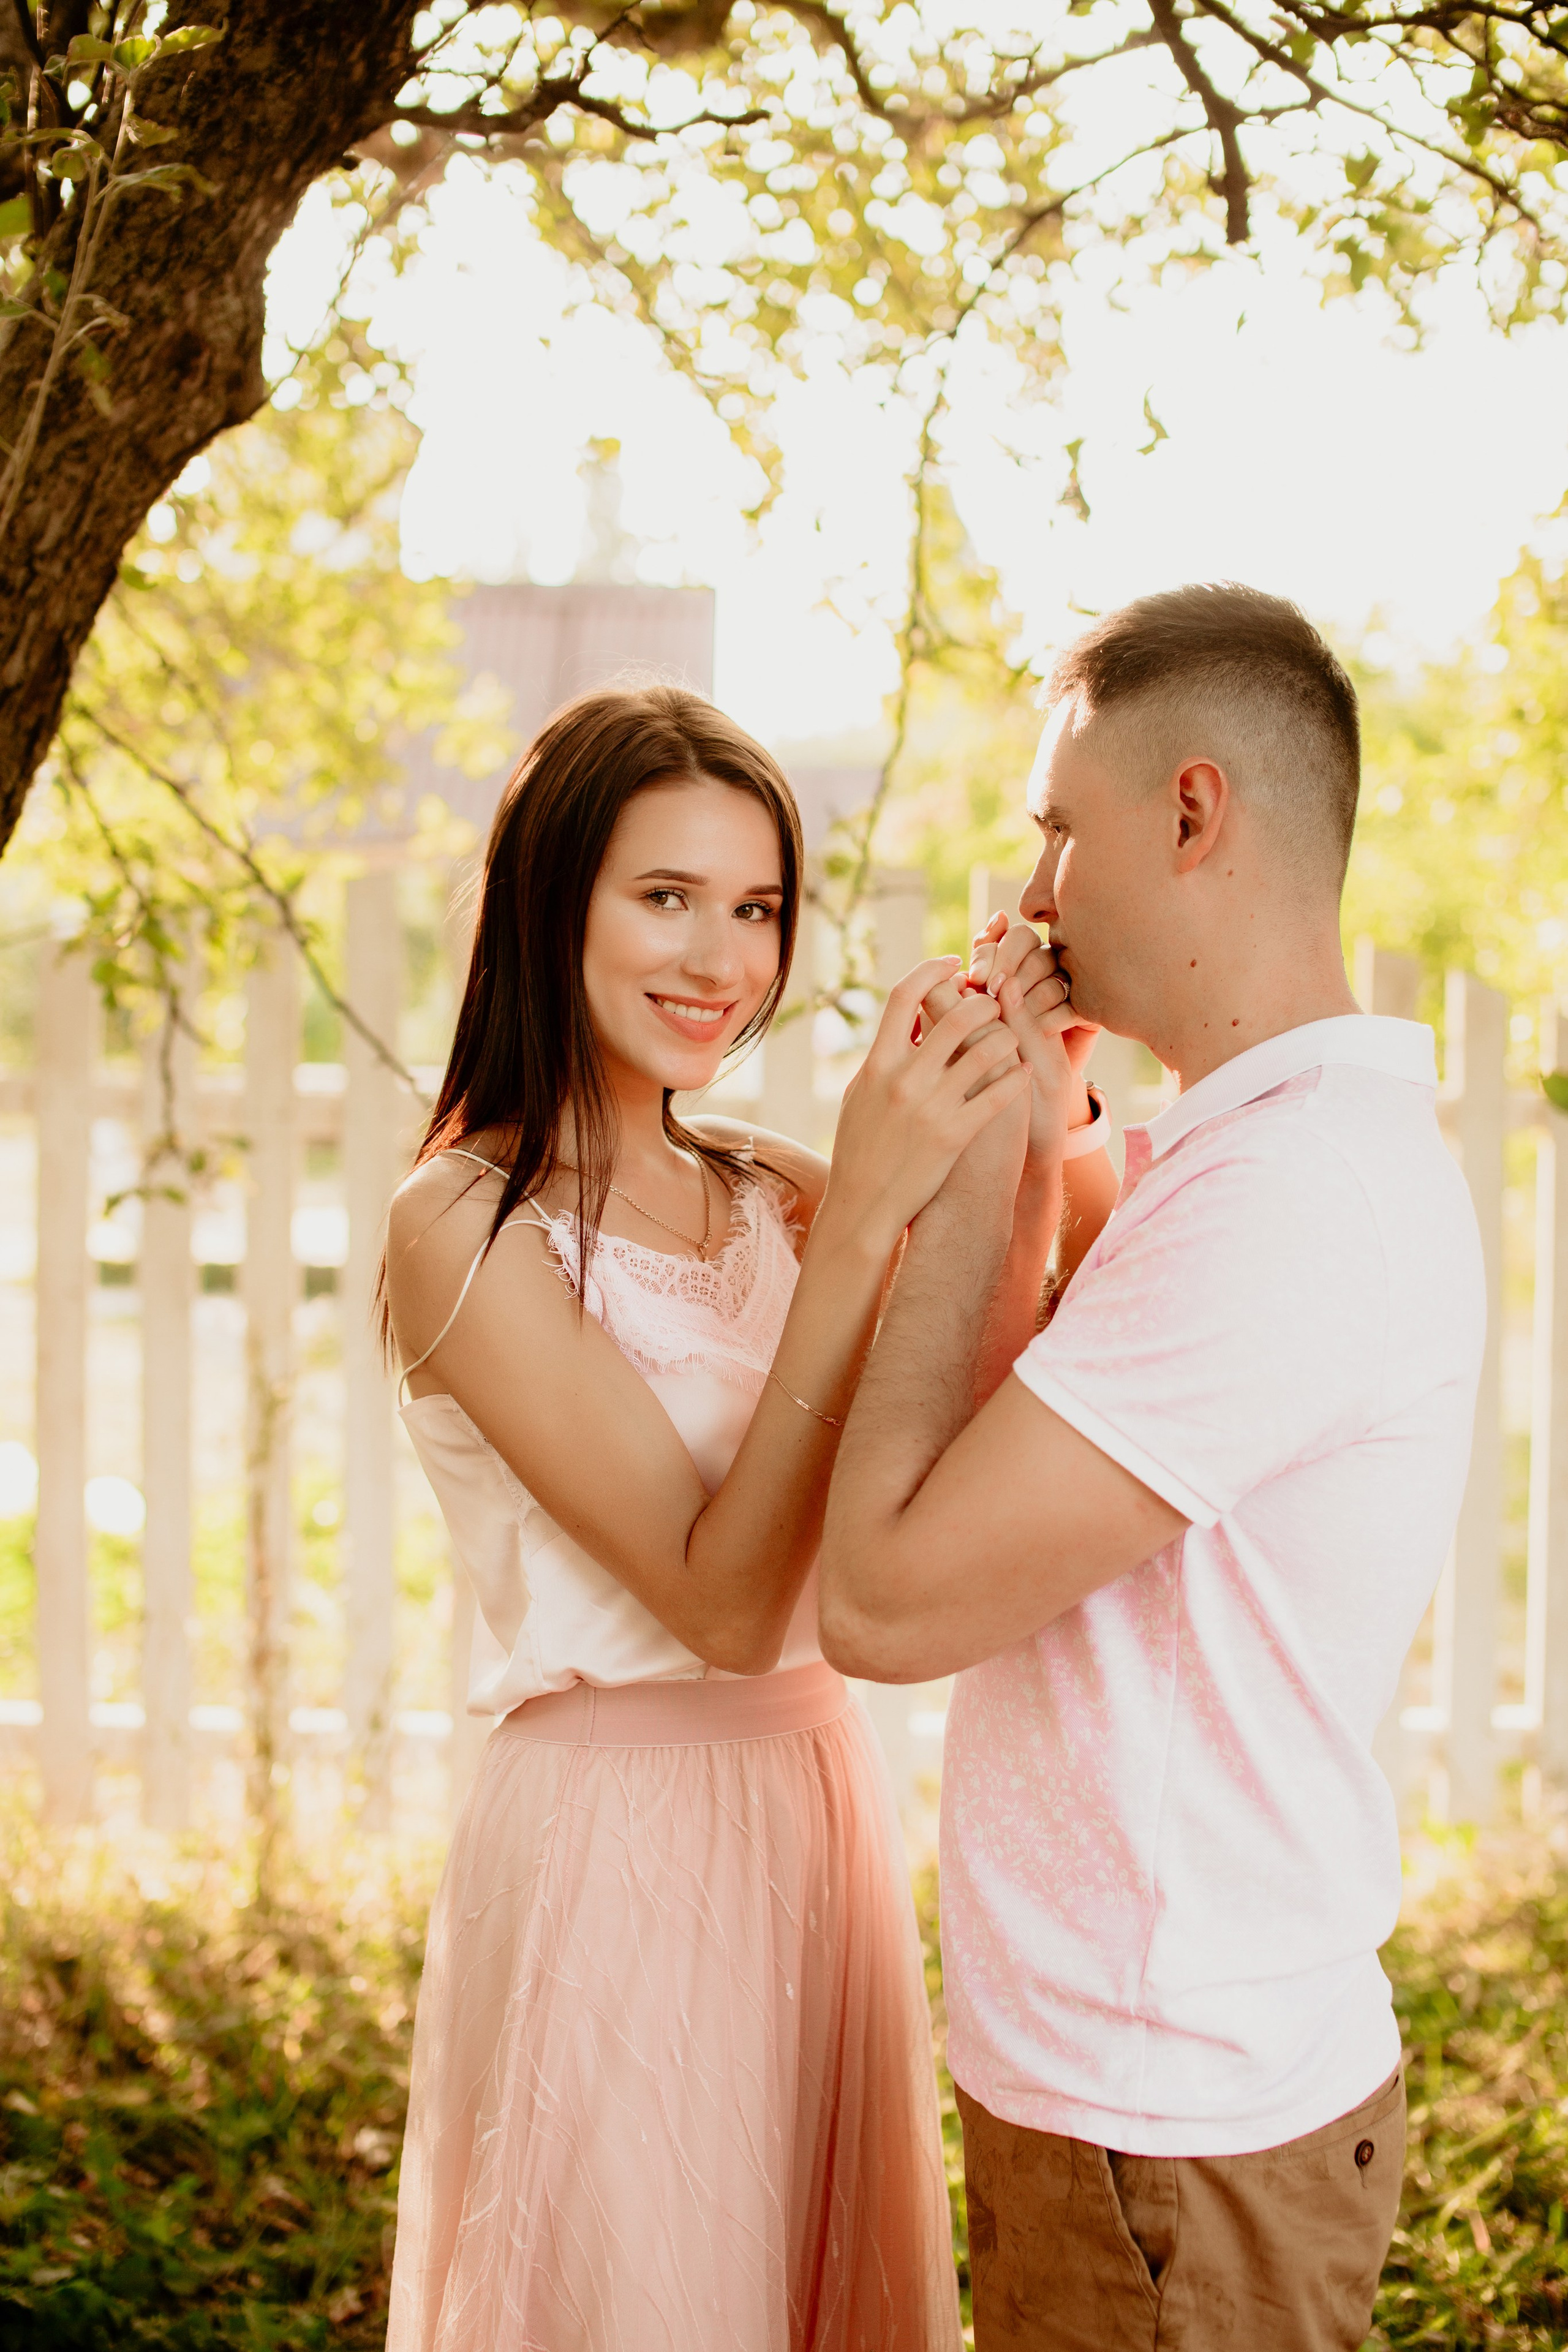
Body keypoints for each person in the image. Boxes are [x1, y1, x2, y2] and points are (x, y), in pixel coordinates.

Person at [817, 583, 1487, 2351]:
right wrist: (1035, 1130)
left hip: (1167, 2116)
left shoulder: (1285, 1205)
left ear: (1191, 814)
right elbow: (1011, 1413)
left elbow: (885, 1599)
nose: (1032, 890)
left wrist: (955, 1164)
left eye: (1057, 826)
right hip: (1137, 2087)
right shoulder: (1246, 1151)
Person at [380, 682, 1031, 2352]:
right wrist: (872, 1204)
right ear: (553, 899)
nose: (721, 959)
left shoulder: (769, 1184)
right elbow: (723, 1603)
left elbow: (975, 1417)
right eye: (664, 897)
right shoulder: (463, 1223)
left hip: (819, 1805)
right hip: (619, 1835)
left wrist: (1040, 1097)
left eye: (756, 909)